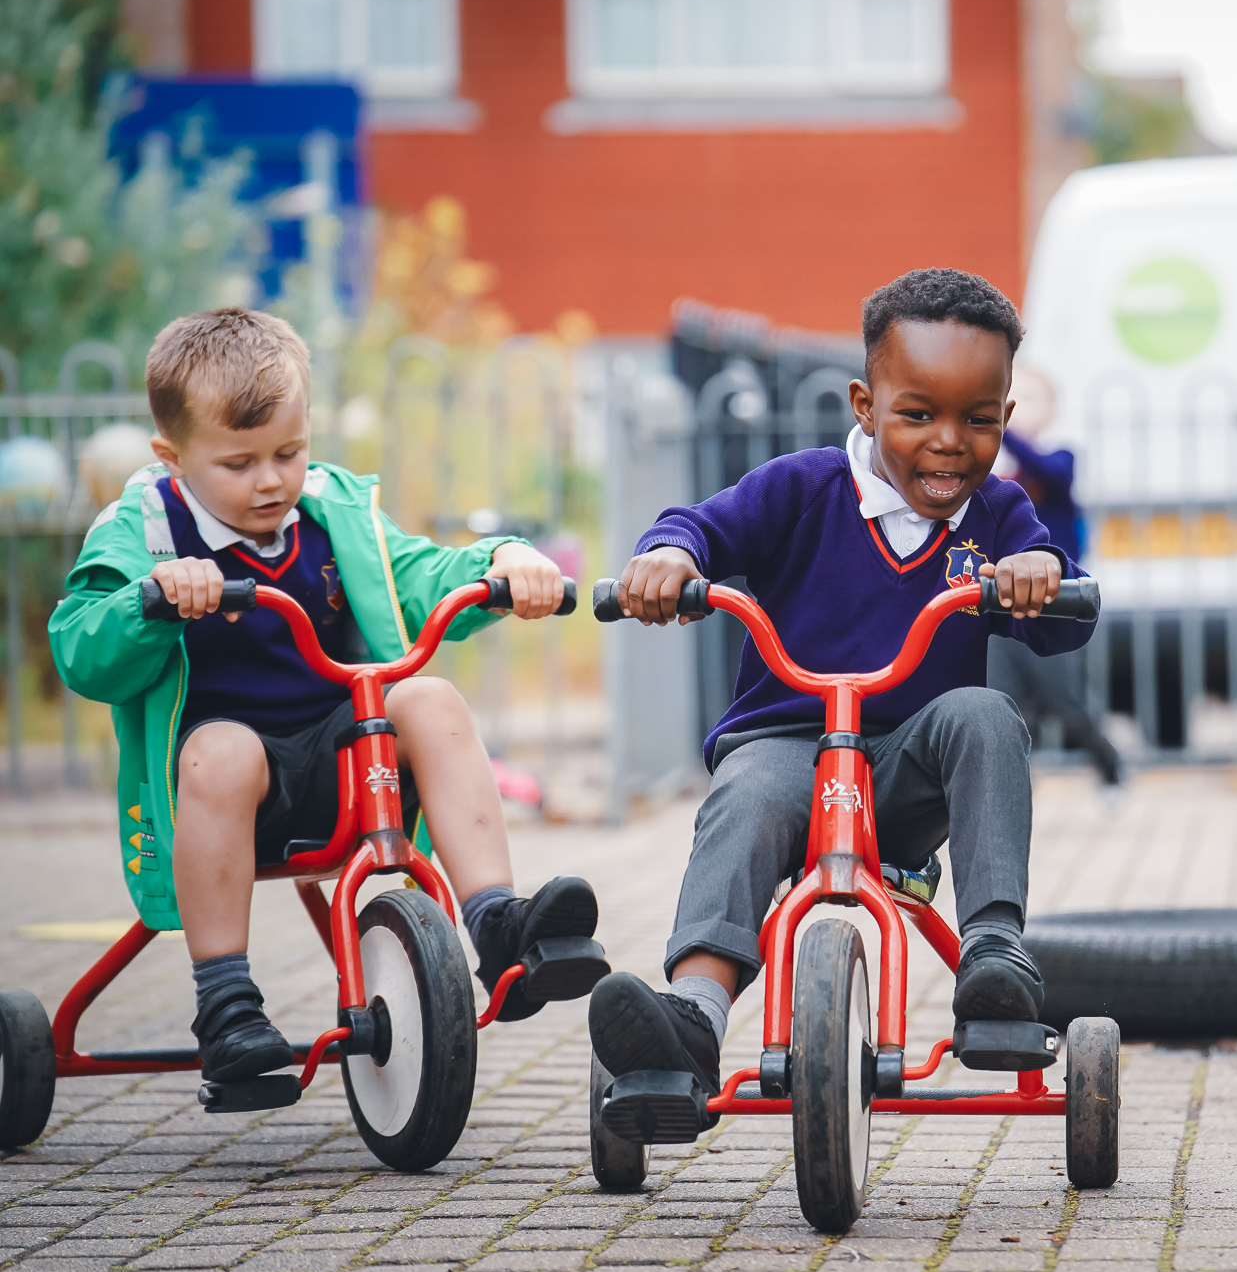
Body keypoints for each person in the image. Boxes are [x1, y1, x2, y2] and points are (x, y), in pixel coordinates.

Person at [49, 308, 604, 1087]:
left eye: (289, 451)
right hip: (229, 788)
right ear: (171, 457)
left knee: (430, 698)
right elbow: (79, 645)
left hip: (345, 763)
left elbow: (419, 571)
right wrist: (149, 599)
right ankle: (226, 1002)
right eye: (238, 463)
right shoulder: (144, 531)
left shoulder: (332, 511)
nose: (272, 479)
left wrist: (505, 562)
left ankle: (499, 924)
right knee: (223, 749)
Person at [591, 268, 1093, 1097]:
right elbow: (699, 526)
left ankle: (996, 956)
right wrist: (671, 558)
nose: (948, 442)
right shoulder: (802, 488)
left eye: (976, 420)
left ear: (1005, 418)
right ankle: (692, 1017)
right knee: (745, 793)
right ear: (866, 406)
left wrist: (1040, 571)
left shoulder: (1000, 515)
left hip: (906, 771)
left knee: (983, 713)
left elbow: (1061, 621)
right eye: (918, 414)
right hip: (789, 753)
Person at [987, 365, 1122, 786]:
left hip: (1053, 602)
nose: (1014, 410)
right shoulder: (998, 479)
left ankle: (1111, 768)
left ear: (1052, 410)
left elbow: (1046, 471)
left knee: (1065, 700)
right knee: (1004, 700)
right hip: (1004, 604)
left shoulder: (1060, 459)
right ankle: (1013, 786)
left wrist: (997, 425)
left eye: (1025, 401)